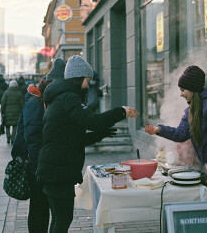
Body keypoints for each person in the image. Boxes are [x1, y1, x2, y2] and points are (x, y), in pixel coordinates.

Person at [36, 55, 139, 233]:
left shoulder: (61, 97)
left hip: (55, 169)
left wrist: (99, 135)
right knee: (62, 220)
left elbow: (74, 139)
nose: (89, 84)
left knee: (59, 220)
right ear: (78, 78)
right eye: (87, 79)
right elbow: (92, 121)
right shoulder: (69, 98)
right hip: (58, 171)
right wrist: (120, 112)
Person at [145, 65, 207, 200]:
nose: (181, 94)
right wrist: (158, 130)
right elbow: (181, 133)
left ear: (194, 89)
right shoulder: (190, 110)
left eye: (183, 90)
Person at [11, 58, 66, 233]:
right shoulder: (36, 103)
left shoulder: (43, 101)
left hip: (41, 164)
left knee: (43, 207)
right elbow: (33, 138)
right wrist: (38, 166)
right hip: (36, 165)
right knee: (38, 208)